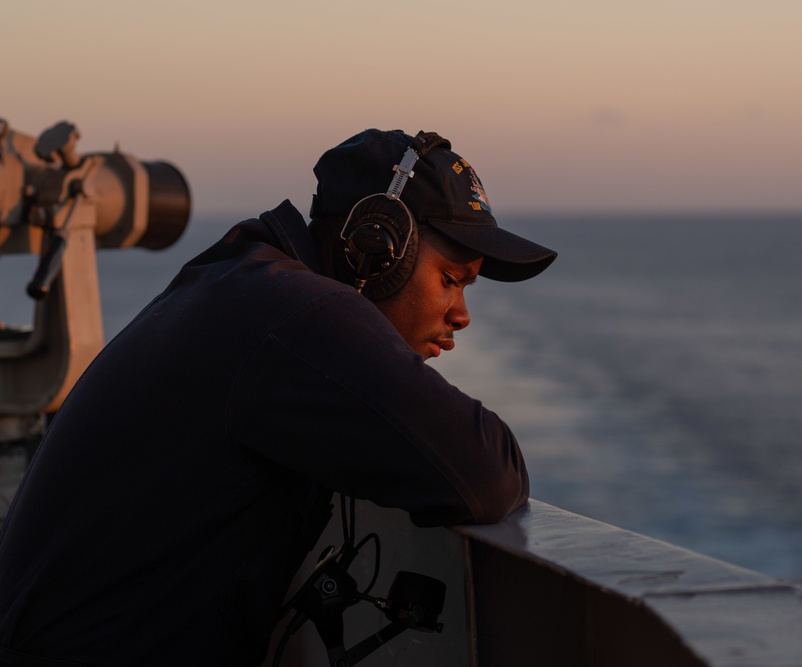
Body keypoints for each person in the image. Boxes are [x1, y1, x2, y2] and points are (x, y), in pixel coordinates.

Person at [0, 129, 556, 665]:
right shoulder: (297, 313)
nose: (461, 315)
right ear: (379, 250)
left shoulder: (245, 284)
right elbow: (486, 473)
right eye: (451, 279)